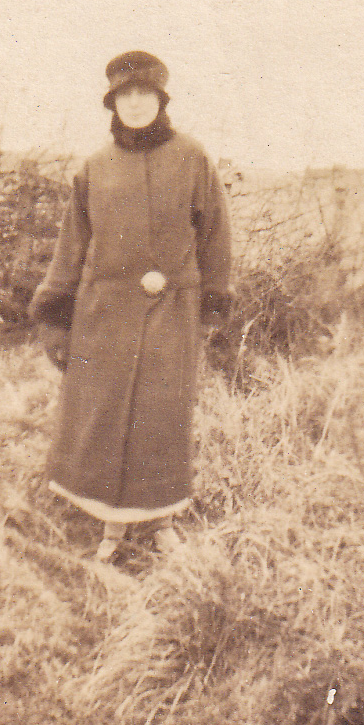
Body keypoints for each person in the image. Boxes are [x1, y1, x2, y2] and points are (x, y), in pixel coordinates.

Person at [28, 51, 232, 562]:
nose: (135, 104)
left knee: (161, 415)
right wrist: (55, 315)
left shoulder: (192, 157)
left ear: (160, 100)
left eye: (145, 94)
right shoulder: (95, 167)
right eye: (125, 95)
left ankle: (160, 519)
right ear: (113, 103)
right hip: (104, 313)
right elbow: (71, 245)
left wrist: (212, 299)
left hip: (172, 311)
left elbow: (216, 236)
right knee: (102, 414)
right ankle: (107, 523)